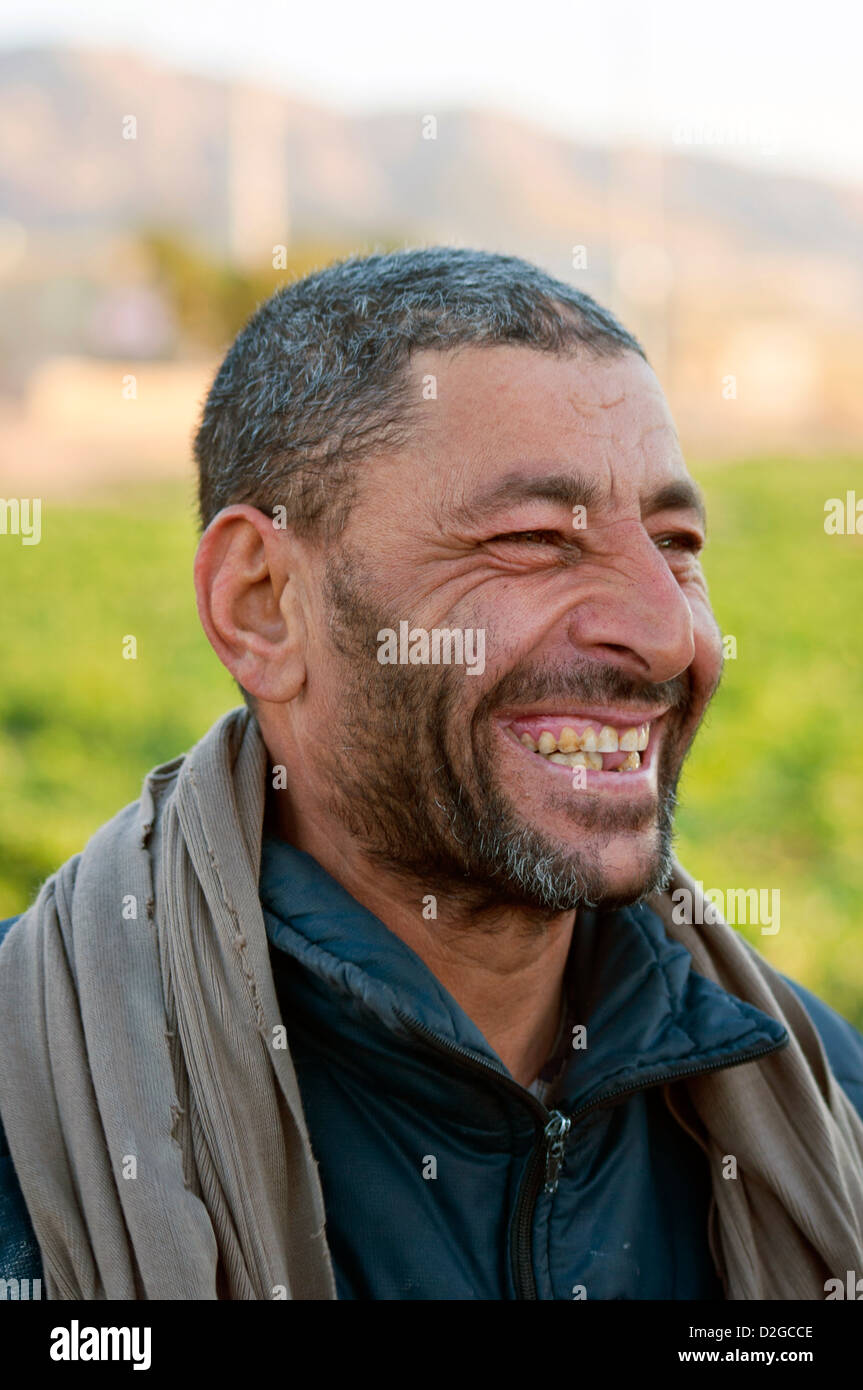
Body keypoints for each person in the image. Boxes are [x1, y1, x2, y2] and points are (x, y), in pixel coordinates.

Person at [2, 247, 862, 1302]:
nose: (664, 631)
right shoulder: (28, 1119)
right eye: (536, 539)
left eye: (675, 542)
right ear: (263, 605)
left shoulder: (817, 1092)